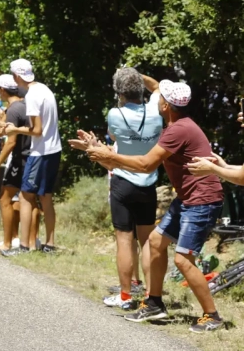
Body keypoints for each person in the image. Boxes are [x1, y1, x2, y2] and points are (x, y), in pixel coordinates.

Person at [86, 79, 225, 332]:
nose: (157, 98)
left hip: (201, 201)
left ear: (165, 105)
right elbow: (140, 156)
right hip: (187, 199)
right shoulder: (176, 127)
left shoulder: (178, 130)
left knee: (183, 261)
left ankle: (212, 315)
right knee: (155, 242)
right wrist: (101, 150)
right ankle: (154, 303)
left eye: (160, 97)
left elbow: (145, 165)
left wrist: (111, 157)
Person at [70, 69, 163, 309]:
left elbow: (113, 137)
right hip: (148, 182)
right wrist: (138, 76)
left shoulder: (115, 113)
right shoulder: (155, 110)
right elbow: (159, 87)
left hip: (123, 180)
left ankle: (125, 295)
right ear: (140, 88)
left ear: (119, 92)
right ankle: (151, 297)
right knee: (147, 241)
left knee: (124, 240)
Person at [4, 58, 62, 253]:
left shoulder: (32, 96)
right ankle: (50, 244)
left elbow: (37, 131)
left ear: (17, 76)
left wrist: (15, 129)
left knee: (25, 196)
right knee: (45, 197)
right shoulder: (44, 89)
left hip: (40, 151)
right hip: (54, 149)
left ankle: (23, 246)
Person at [0, 74, 36, 255]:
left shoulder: (14, 109)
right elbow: (3, 133)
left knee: (5, 199)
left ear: (2, 90)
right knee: (30, 200)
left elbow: (11, 141)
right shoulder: (24, 104)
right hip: (30, 157)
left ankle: (7, 243)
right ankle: (30, 241)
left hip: (19, 158)